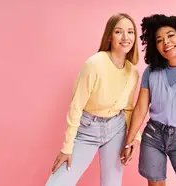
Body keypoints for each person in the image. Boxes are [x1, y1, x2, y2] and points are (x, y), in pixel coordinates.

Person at [45, 13, 142, 186]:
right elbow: (76, 106)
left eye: (130, 32)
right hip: (87, 129)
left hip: (116, 130)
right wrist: (67, 148)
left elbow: (128, 108)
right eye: (119, 31)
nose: (126, 37)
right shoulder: (95, 63)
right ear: (110, 37)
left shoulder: (133, 72)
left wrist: (134, 137)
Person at [122, 14, 176, 186]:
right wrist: (129, 140)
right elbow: (141, 108)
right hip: (153, 136)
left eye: (170, 36)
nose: (166, 42)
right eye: (159, 40)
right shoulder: (151, 72)